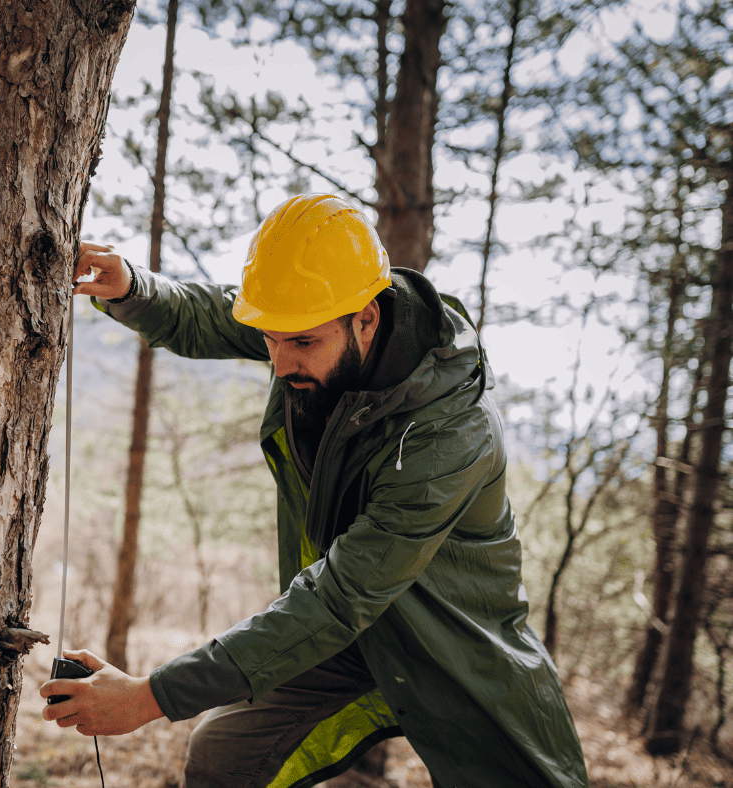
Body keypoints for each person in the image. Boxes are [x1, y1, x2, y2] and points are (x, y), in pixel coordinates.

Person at [40, 194, 589, 788]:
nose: (278, 363)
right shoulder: (310, 326)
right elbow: (212, 313)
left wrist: (150, 696)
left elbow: (338, 597)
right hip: (350, 636)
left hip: (452, 644)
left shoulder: (449, 436)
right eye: (269, 340)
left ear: (367, 320)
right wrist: (133, 289)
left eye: (299, 344)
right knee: (225, 754)